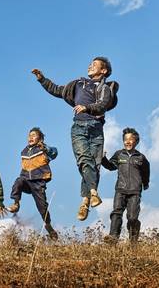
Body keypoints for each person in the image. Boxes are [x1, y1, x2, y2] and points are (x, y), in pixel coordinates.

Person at [31, 57, 118, 221]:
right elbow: (57, 90)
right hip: (78, 127)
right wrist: (42, 79)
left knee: (94, 164)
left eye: (95, 64)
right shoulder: (78, 84)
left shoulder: (105, 87)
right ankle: (92, 193)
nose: (90, 65)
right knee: (84, 160)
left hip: (96, 128)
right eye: (90, 63)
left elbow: (103, 104)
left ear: (104, 70)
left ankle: (85, 201)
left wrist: (87, 107)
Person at [6, 127, 59, 240]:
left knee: (42, 206)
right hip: (26, 180)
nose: (31, 137)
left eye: (34, 135)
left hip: (38, 181)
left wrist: (45, 148)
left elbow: (54, 153)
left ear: (40, 139)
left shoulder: (43, 149)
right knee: (18, 181)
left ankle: (48, 226)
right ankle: (16, 203)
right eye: (29, 135)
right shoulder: (24, 151)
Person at [101, 127, 150, 242]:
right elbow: (111, 166)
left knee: (132, 217)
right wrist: (103, 159)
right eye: (125, 139)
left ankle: (133, 240)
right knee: (116, 213)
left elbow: (146, 172)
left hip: (135, 191)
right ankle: (113, 237)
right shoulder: (119, 154)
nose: (127, 141)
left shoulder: (141, 158)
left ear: (136, 141)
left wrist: (146, 183)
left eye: (131, 139)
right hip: (120, 189)